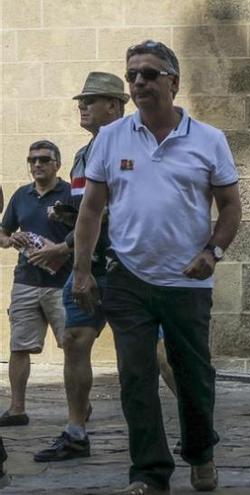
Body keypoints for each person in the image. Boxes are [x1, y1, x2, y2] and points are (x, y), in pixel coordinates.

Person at [73, 40, 242, 494]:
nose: (139, 82)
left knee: (193, 377)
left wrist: (213, 252)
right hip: (128, 276)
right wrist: (82, 269)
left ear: (174, 81)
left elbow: (230, 208)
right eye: (132, 76)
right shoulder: (111, 139)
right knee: (134, 378)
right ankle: (149, 473)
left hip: (187, 280)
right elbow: (90, 210)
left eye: (149, 74)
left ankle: (201, 451)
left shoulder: (209, 140)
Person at [28, 72, 128, 462]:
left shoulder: (129, 145)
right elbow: (89, 213)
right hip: (86, 265)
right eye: (81, 100)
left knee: (154, 354)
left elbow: (112, 211)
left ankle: (195, 425)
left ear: (115, 106)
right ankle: (76, 431)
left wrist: (63, 247)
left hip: (123, 266)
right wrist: (68, 219)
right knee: (74, 342)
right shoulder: (83, 155)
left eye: (92, 99)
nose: (82, 106)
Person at [0, 140, 72, 428]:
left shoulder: (70, 194)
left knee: (72, 347)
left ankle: (80, 406)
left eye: (43, 159)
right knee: (19, 347)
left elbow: (88, 232)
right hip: (26, 282)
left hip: (64, 283)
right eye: (32, 160)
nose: (37, 165)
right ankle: (17, 409)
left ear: (57, 164)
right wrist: (10, 239)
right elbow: (2, 233)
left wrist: (59, 250)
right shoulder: (21, 195)